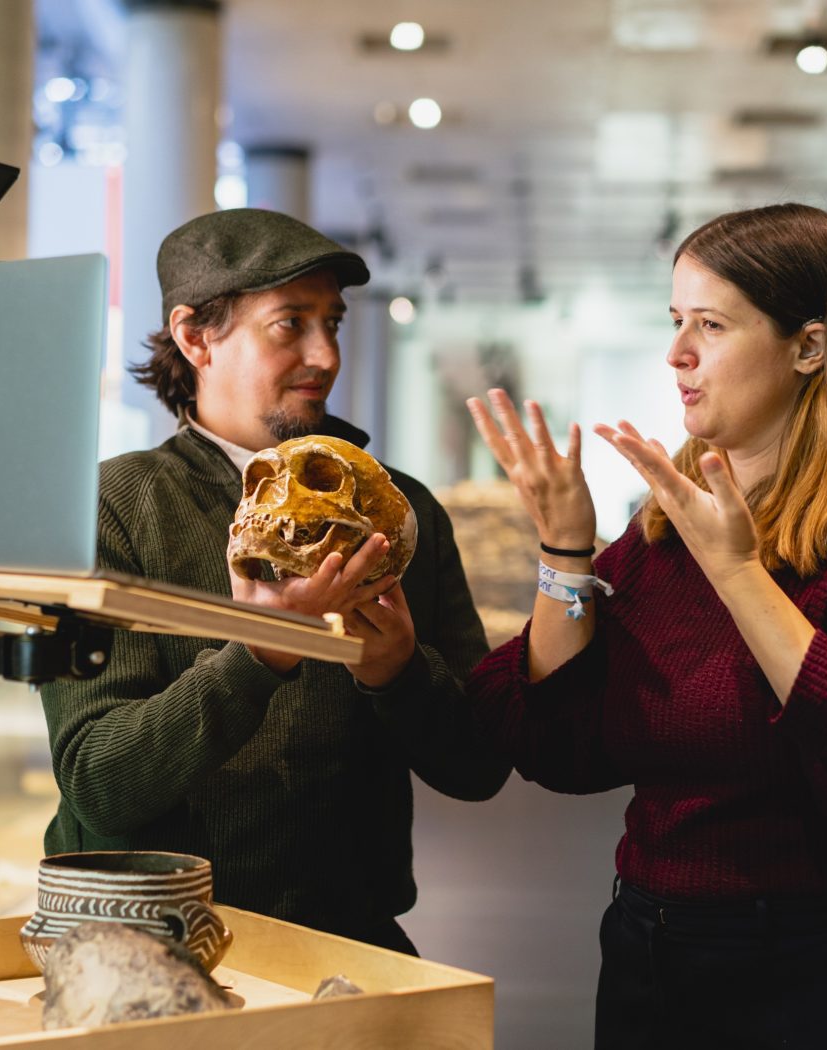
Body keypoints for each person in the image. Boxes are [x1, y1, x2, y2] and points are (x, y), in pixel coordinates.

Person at [464, 203, 827, 1048]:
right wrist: (565, 548)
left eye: (710, 324)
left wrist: (741, 573)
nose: (677, 353)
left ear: (809, 347)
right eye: (676, 321)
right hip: (654, 949)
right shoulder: (662, 526)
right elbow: (556, 742)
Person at [39, 208, 510, 954]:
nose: (324, 355)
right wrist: (259, 651)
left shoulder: (400, 509)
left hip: (349, 938)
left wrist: (395, 673)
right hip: (150, 950)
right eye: (290, 324)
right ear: (196, 337)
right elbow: (102, 783)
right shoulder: (112, 507)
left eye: (333, 323)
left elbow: (480, 764)